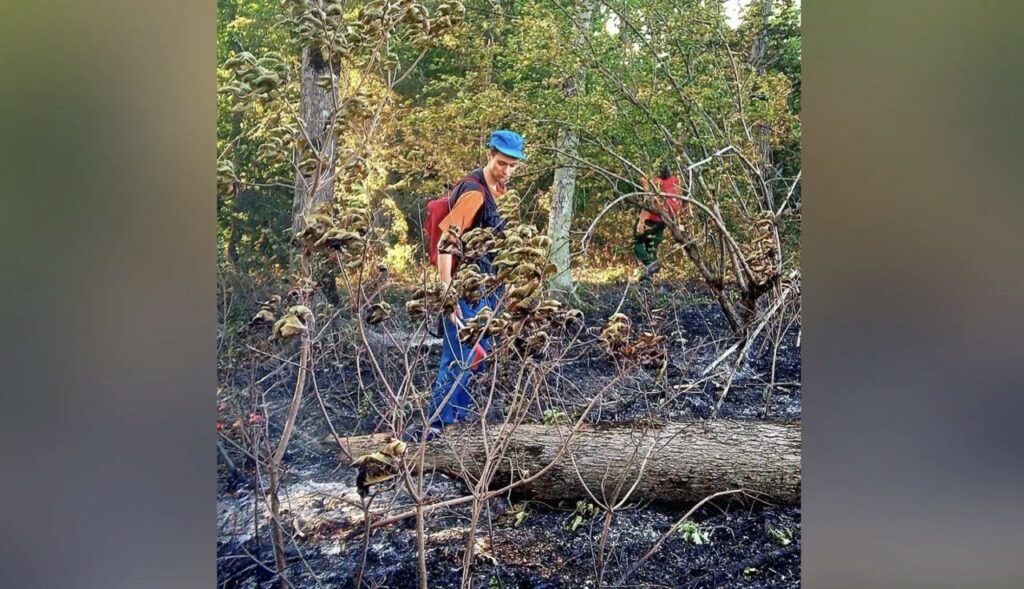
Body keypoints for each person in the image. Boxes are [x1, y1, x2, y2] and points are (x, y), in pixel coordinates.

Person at [411, 130, 526, 441]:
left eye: (514, 165)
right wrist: (448, 293)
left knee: (477, 353)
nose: (507, 171)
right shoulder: (475, 193)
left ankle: (456, 423)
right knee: (458, 356)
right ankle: (435, 428)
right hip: (466, 290)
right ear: (490, 155)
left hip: (487, 290)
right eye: (502, 163)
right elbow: (448, 240)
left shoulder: (498, 191)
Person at [632, 164, 684, 280]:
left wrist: (641, 221)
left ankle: (650, 265)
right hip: (664, 219)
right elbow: (679, 200)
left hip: (652, 219)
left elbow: (648, 200)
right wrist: (678, 220)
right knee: (651, 246)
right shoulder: (675, 180)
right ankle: (647, 276)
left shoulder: (655, 182)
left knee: (637, 246)